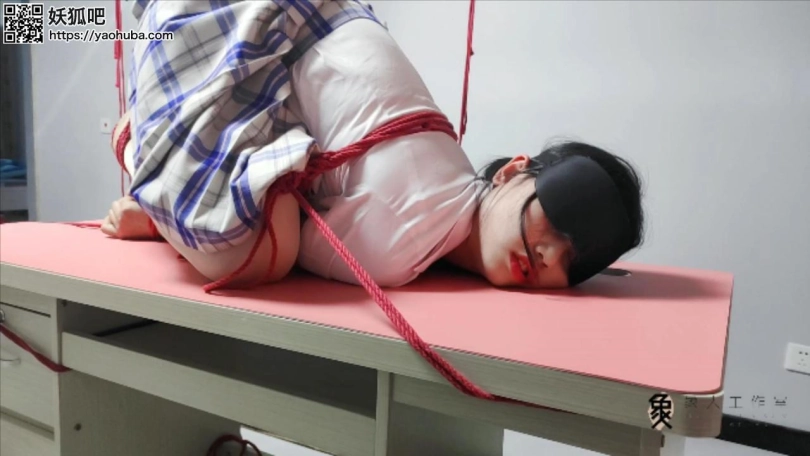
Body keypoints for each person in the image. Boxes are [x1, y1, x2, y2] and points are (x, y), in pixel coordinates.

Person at [102, 0, 645, 290]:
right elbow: (297, 228)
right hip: (214, 33)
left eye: (572, 262)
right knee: (262, 251)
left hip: (248, 34)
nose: (548, 255)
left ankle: (165, 155)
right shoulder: (405, 239)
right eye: (555, 218)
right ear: (512, 171)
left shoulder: (447, 172)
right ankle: (140, 147)